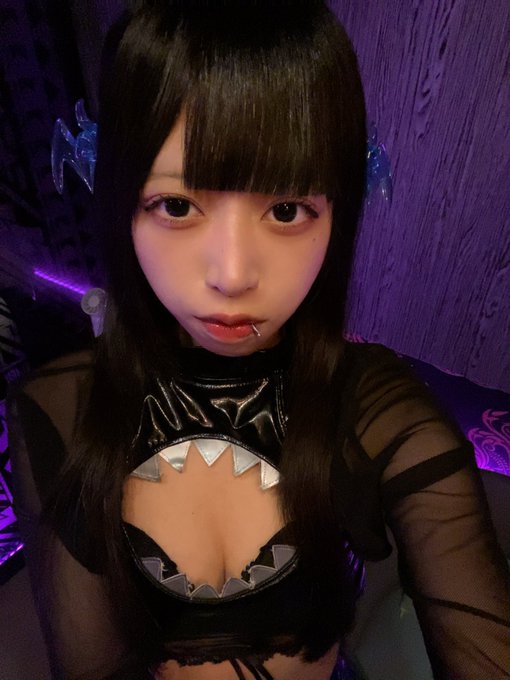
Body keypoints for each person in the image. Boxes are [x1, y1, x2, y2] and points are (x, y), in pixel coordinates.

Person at [7, 1, 510, 678]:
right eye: (177, 206)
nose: (234, 275)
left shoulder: (379, 411)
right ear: (123, 201)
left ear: (336, 212)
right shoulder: (59, 409)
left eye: (286, 210)